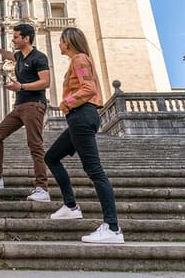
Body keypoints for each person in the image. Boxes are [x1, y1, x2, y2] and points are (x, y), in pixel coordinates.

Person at [44, 27, 124, 244]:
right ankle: (70, 206)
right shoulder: (78, 60)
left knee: (95, 171)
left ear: (68, 42)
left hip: (82, 115)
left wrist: (65, 103)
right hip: (79, 118)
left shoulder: (79, 59)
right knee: (51, 157)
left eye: (61, 41)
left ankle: (113, 228)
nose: (59, 44)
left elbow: (88, 88)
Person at [0, 24, 51, 202]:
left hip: (34, 105)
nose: (13, 39)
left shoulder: (39, 57)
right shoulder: (19, 56)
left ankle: (42, 188)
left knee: (35, 145)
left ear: (26, 38)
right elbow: (11, 56)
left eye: (16, 37)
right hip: (20, 106)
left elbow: (46, 82)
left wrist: (21, 86)